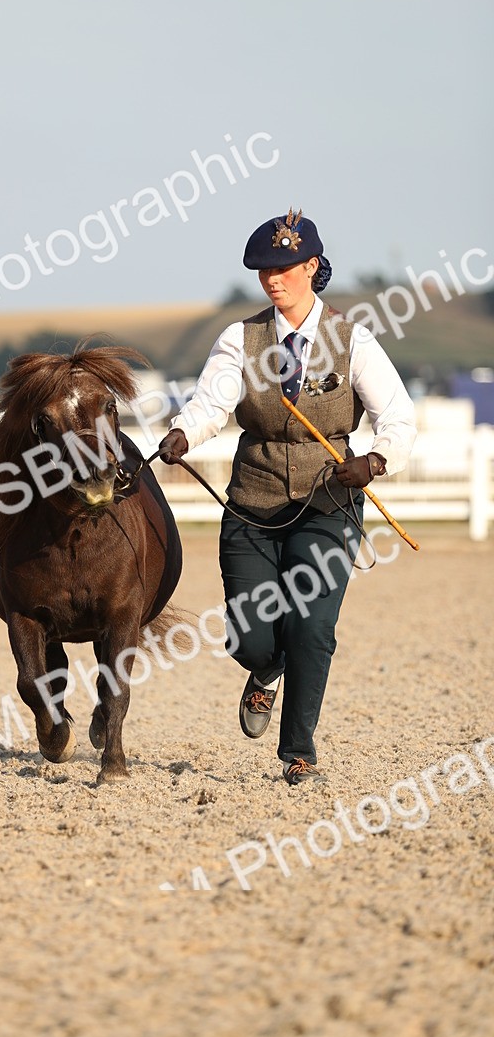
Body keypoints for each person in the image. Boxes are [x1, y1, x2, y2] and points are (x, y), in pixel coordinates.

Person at [158, 209, 417, 786]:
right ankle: (264, 669)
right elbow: (212, 403)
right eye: (264, 270)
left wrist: (373, 461)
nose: (274, 280)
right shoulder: (240, 339)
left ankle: (298, 750)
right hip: (252, 505)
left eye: (285, 268)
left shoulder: (353, 340)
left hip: (329, 506)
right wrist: (185, 432)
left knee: (312, 628)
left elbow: (398, 417)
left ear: (312, 267)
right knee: (249, 637)